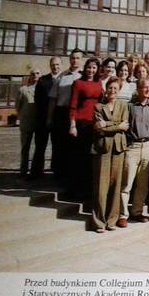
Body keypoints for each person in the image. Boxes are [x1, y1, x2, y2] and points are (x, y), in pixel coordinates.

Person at [90, 78, 129, 232]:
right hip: (103, 148)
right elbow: (98, 128)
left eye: (115, 88)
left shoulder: (123, 105)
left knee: (116, 184)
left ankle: (111, 220)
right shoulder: (98, 107)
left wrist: (107, 124)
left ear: (119, 90)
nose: (112, 91)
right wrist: (116, 125)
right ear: (106, 89)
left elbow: (125, 126)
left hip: (119, 148)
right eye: (110, 88)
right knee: (101, 185)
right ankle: (99, 221)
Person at [121, 78, 149, 225]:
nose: (147, 90)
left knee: (143, 184)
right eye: (144, 87)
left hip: (147, 146)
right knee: (127, 183)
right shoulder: (129, 106)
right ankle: (123, 215)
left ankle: (137, 211)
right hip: (132, 147)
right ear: (138, 89)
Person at [68, 57, 102, 199]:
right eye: (89, 67)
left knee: (91, 158)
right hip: (81, 123)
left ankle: (88, 190)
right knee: (79, 157)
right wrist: (72, 125)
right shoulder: (78, 83)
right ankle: (76, 190)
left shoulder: (99, 84)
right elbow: (73, 105)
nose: (91, 70)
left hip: (94, 124)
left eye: (94, 68)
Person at [47, 49, 82, 181]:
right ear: (69, 59)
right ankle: (58, 175)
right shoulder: (61, 77)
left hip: (76, 114)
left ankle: (71, 176)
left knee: (73, 147)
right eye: (73, 58)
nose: (75, 60)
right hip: (61, 113)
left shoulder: (83, 76)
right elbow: (53, 99)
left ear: (81, 60)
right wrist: (49, 118)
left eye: (78, 58)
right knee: (59, 145)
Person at [30, 56, 61, 179]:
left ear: (61, 65)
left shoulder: (63, 79)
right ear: (50, 65)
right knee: (40, 146)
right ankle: (36, 172)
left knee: (57, 146)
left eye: (57, 64)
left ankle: (56, 172)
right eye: (53, 64)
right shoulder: (43, 80)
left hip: (58, 119)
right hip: (42, 119)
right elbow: (37, 100)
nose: (55, 67)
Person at [15, 68, 41, 178]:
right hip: (26, 122)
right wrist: (22, 117)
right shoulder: (23, 90)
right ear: (29, 76)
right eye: (32, 74)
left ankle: (37, 171)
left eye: (37, 73)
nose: (35, 75)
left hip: (39, 122)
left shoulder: (44, 90)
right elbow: (18, 106)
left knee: (39, 148)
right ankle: (23, 170)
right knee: (25, 147)